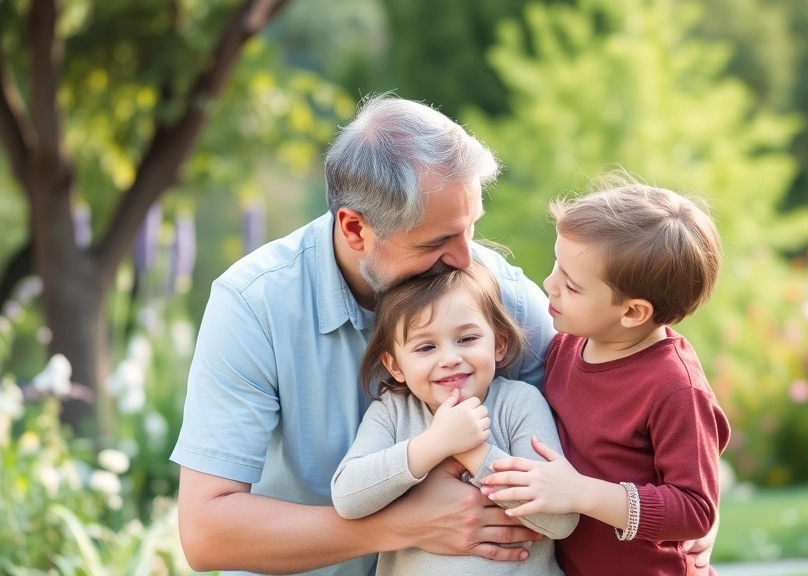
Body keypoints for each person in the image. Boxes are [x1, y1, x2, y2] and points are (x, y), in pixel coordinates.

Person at [171, 95, 716, 575]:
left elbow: (619, 362)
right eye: (436, 242)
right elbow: (207, 533)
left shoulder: (487, 286)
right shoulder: (254, 304)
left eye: (470, 227)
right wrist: (404, 526)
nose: (464, 257)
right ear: (355, 229)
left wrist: (677, 521)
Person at [482, 179, 731, 576]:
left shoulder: (674, 387)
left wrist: (581, 493)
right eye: (556, 266)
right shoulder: (566, 346)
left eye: (572, 285)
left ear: (632, 312)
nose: (550, 285)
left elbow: (696, 509)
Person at [331, 262, 578, 575]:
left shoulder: (519, 403)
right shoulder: (392, 412)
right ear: (395, 366)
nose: (449, 358)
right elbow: (348, 498)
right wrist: (435, 443)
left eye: (467, 339)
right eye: (426, 346)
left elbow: (561, 521)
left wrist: (473, 452)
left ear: (498, 344)